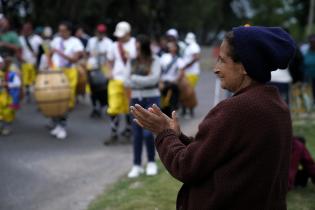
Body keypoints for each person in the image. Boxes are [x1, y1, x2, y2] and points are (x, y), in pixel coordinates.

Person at [130, 26, 296, 210]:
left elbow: (186, 166)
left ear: (244, 67)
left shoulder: (236, 109)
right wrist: (178, 137)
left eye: (222, 61)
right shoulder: (276, 105)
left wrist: (163, 133)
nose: (215, 69)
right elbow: (217, 152)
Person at [126, 34, 161, 178]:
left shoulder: (155, 60)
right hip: (135, 97)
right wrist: (141, 80)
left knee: (148, 133)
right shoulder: (132, 61)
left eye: (139, 48)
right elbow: (126, 81)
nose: (137, 51)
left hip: (151, 96)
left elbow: (154, 79)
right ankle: (137, 164)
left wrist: (135, 79)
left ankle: (151, 162)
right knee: (137, 134)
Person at [49, 21, 84, 139]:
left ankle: (63, 126)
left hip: (69, 72)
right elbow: (49, 55)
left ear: (69, 31)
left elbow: (74, 59)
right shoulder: (55, 41)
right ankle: (57, 124)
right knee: (54, 99)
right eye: (59, 30)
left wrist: (59, 52)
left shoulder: (76, 42)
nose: (60, 33)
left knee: (65, 100)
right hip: (56, 72)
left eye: (63, 30)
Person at [105, 21, 137, 144]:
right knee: (113, 107)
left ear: (128, 33)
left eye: (122, 34)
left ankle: (129, 130)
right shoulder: (113, 45)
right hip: (115, 80)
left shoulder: (135, 44)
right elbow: (109, 61)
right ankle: (113, 133)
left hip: (131, 81)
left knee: (129, 107)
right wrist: (109, 72)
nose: (119, 37)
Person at [86, 24, 112, 118]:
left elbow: (110, 54)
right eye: (98, 32)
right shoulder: (91, 40)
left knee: (103, 89)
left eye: (102, 32)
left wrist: (100, 53)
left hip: (103, 67)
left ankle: (102, 105)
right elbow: (88, 53)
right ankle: (94, 107)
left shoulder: (108, 42)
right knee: (92, 89)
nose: (100, 34)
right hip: (92, 66)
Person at [19, 21, 43, 102]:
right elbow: (19, 50)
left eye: (27, 29)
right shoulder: (20, 39)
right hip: (25, 62)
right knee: (26, 80)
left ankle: (37, 95)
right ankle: (28, 94)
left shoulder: (38, 39)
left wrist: (39, 58)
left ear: (31, 29)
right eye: (24, 29)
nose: (25, 31)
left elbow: (43, 50)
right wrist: (20, 58)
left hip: (35, 63)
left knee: (35, 80)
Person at [180, 32, 201, 118]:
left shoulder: (194, 46)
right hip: (188, 73)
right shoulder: (189, 46)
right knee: (185, 92)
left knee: (189, 93)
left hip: (192, 73)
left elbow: (196, 58)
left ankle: (190, 111)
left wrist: (186, 66)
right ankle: (185, 111)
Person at [159, 41, 182, 117]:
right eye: (170, 46)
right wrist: (160, 82)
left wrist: (176, 80)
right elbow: (160, 70)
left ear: (176, 48)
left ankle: (173, 111)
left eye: (173, 46)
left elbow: (180, 72)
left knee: (174, 98)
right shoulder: (164, 57)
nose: (171, 47)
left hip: (173, 83)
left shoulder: (179, 60)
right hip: (164, 82)